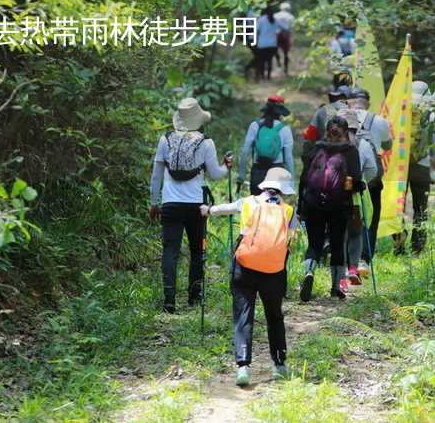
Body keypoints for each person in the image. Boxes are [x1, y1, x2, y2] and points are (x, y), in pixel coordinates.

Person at [201, 167, 297, 386]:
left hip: (244, 268)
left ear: (265, 185)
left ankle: (243, 367)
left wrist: (208, 210)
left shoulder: (248, 202)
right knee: (275, 317)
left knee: (243, 315)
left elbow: (224, 209)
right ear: (283, 190)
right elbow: (291, 239)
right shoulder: (288, 211)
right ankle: (280, 365)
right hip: (274, 271)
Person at [149, 97, 233, 313]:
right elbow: (214, 174)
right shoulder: (206, 143)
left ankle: (169, 299)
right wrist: (226, 166)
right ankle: (195, 296)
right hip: (196, 205)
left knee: (170, 251)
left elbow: (156, 175)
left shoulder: (165, 140)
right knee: (197, 250)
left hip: (169, 203)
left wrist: (153, 202)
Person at [298, 115, 364, 301]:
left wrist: (300, 206)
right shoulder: (350, 151)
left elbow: (304, 178)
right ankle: (336, 287)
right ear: (345, 133)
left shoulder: (316, 148)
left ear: (327, 132)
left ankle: (309, 273)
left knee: (314, 244)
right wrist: (360, 187)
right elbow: (355, 180)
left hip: (312, 203)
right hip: (339, 205)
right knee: (336, 244)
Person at [394, 81, 435, 255]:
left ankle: (398, 244)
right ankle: (418, 246)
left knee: (398, 207)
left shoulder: (399, 111)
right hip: (421, 167)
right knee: (420, 208)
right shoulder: (429, 114)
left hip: (400, 166)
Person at [349, 87, 392, 275]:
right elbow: (388, 145)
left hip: (345, 176)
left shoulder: (342, 118)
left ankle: (343, 258)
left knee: (345, 215)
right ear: (368, 102)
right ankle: (364, 259)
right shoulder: (379, 120)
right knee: (370, 216)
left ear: (351, 102)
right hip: (371, 177)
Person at [337, 109, 377, 287]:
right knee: (356, 233)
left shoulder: (332, 144)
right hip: (356, 196)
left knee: (341, 233)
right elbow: (373, 170)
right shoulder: (364, 145)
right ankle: (353, 269)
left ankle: (341, 272)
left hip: (336, 196)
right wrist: (362, 182)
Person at [237, 95, 294, 195]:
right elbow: (288, 158)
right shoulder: (285, 129)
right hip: (277, 175)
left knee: (256, 207)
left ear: (266, 109)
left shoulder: (255, 126)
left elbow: (245, 152)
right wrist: (291, 182)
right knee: (274, 208)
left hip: (258, 173)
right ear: (280, 112)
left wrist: (241, 177)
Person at [255, 5, 280, 80]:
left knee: (262, 61)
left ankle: (262, 77)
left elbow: (256, 30)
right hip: (272, 44)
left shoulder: (261, 19)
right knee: (269, 61)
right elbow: (277, 31)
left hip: (262, 44)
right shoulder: (275, 20)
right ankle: (268, 76)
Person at [274, 2, 295, 74]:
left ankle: (278, 63)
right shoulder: (291, 16)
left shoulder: (276, 15)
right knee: (286, 52)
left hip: (277, 33)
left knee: (275, 50)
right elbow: (292, 28)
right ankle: (286, 69)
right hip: (286, 34)